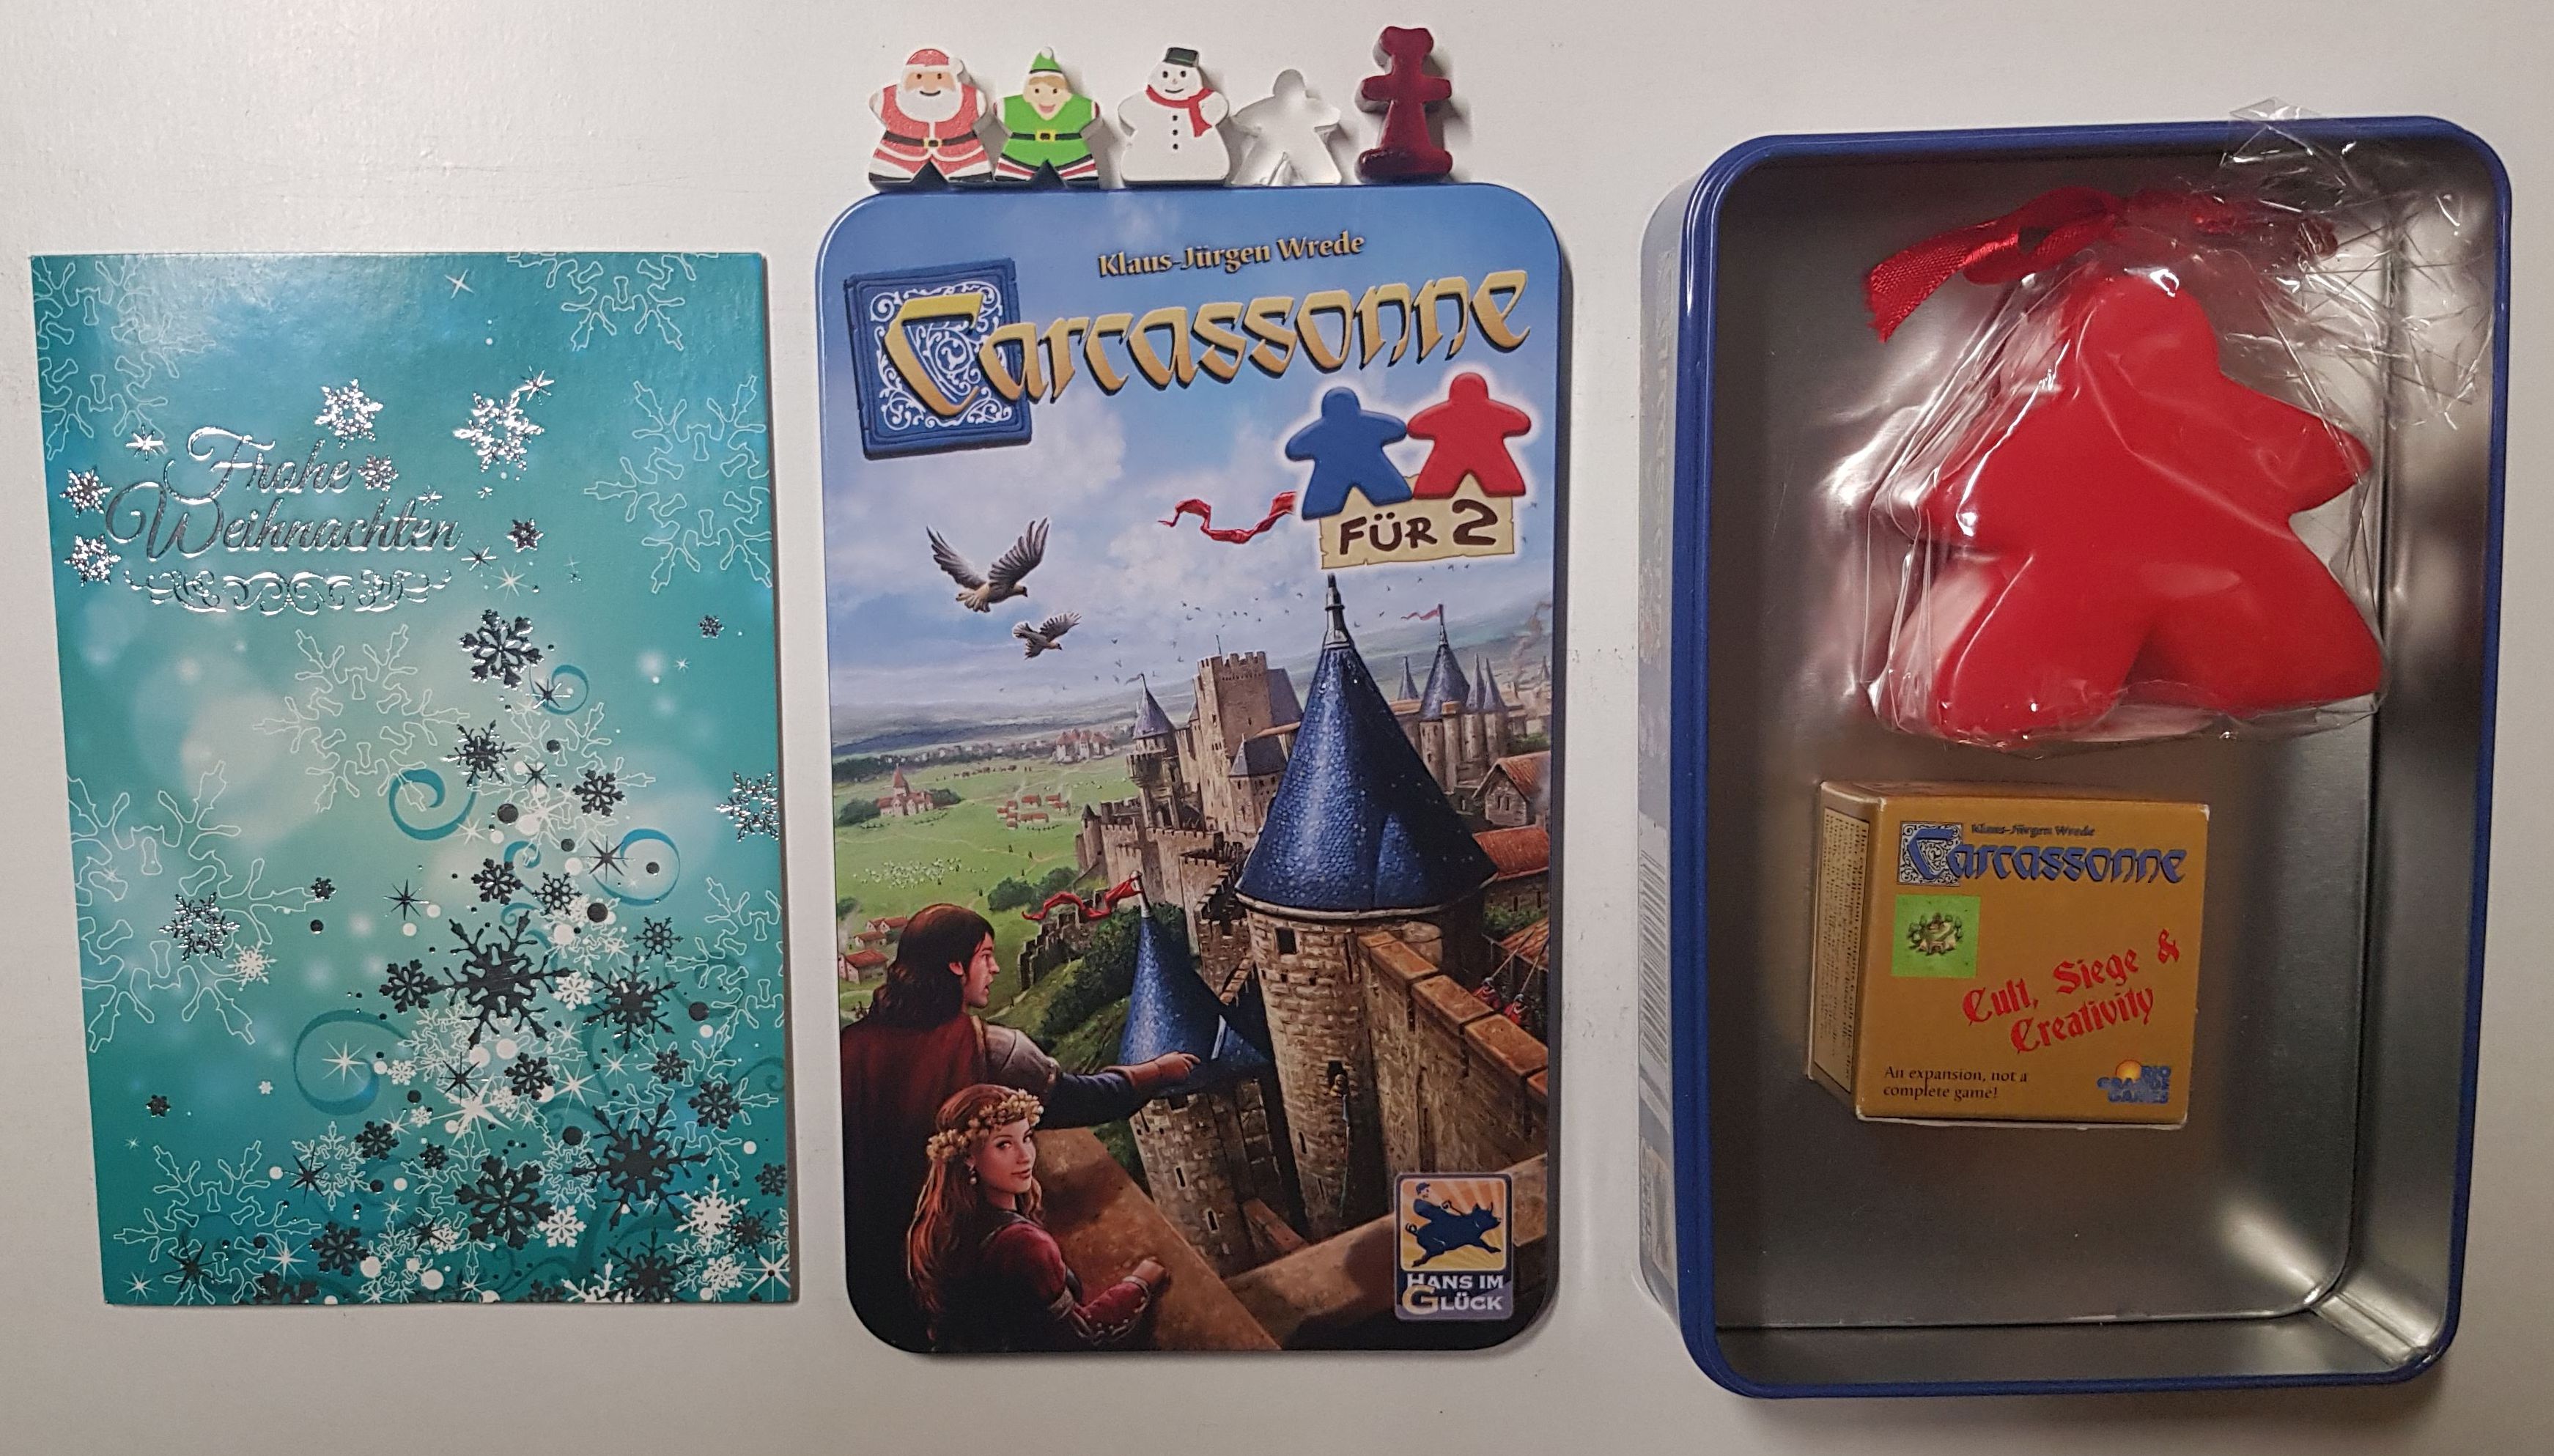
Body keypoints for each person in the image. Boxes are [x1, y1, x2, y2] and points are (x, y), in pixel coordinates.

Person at [840, 902, 1196, 1349]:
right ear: (955, 966)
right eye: (985, 956)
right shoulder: (989, 1049)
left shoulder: (848, 1046)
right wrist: (1157, 1072)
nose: (994, 968)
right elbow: (1080, 1099)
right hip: (955, 1270)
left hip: (869, 1275)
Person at [907, 1084, 1165, 1350]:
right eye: (1004, 1144)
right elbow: (1082, 1336)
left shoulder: (934, 1230)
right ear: (968, 1157)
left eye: (1027, 1138)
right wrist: (1139, 1283)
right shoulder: (1023, 1243)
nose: (1025, 1156)